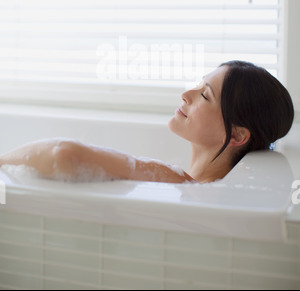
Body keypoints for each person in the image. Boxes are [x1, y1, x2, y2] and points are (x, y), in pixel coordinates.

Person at [0, 61, 294, 184]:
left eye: (204, 95)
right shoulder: (204, 186)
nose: (186, 94)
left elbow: (63, 155)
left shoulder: (178, 183)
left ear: (238, 135)